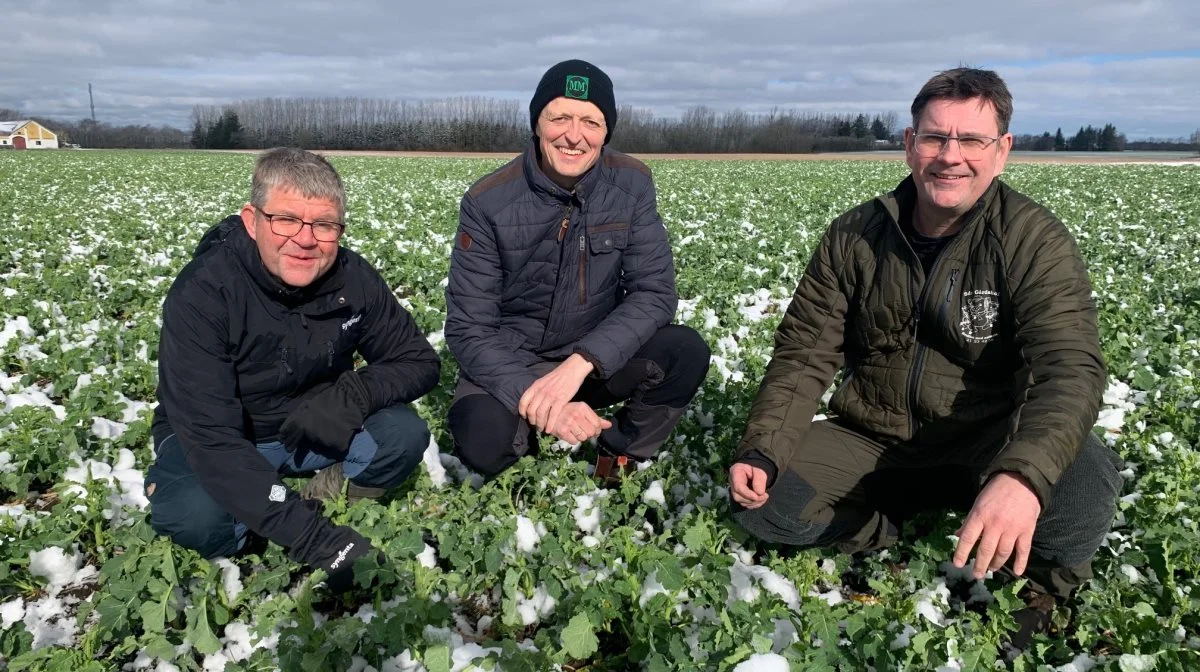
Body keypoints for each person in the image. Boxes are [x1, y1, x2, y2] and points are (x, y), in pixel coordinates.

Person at [729, 68, 1123, 646]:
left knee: (1082, 482)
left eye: (972, 140)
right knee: (763, 504)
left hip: (986, 439)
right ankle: (879, 528)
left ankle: (1042, 585)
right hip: (875, 437)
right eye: (936, 137)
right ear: (910, 144)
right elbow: (803, 354)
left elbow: (1068, 367)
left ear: (1002, 150)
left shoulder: (1031, 239)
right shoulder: (856, 236)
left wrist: (1019, 476)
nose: (950, 156)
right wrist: (763, 448)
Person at [146, 147, 439, 591]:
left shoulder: (353, 279)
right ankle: (281, 516)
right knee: (194, 519)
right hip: (223, 440)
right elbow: (211, 440)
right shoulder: (204, 292)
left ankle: (313, 497)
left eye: (324, 225)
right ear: (252, 220)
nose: (305, 239)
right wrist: (316, 539)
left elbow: (418, 361)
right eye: (285, 219)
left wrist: (352, 395)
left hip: (312, 429)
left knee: (402, 435)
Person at [445, 59, 710, 482]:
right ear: (537, 124)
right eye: (560, 117)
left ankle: (617, 456)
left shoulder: (632, 184)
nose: (574, 135)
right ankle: (530, 456)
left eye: (591, 121)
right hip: (514, 360)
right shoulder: (487, 201)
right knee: (483, 441)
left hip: (593, 357)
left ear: (606, 132)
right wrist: (541, 400)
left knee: (684, 351)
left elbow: (654, 293)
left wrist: (581, 363)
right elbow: (468, 329)